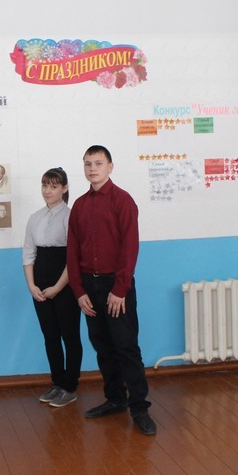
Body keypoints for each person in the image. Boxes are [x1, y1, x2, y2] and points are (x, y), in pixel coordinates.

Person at [66, 145, 156, 436]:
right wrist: (79, 291)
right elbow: (72, 251)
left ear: (110, 167)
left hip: (116, 286)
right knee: (103, 346)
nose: (92, 169)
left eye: (98, 163)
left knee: (126, 347)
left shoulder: (122, 200)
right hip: (89, 287)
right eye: (87, 164)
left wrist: (120, 289)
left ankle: (139, 407)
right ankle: (116, 399)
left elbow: (130, 249)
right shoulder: (80, 205)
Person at [23, 168, 82, 408]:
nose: (48, 191)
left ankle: (70, 386)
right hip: (40, 284)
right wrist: (32, 286)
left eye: (54, 186)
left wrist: (57, 287)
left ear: (64, 188)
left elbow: (73, 258)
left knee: (70, 335)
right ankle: (57, 382)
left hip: (65, 284)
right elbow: (28, 254)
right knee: (50, 336)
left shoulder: (71, 217)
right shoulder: (35, 217)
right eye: (45, 185)